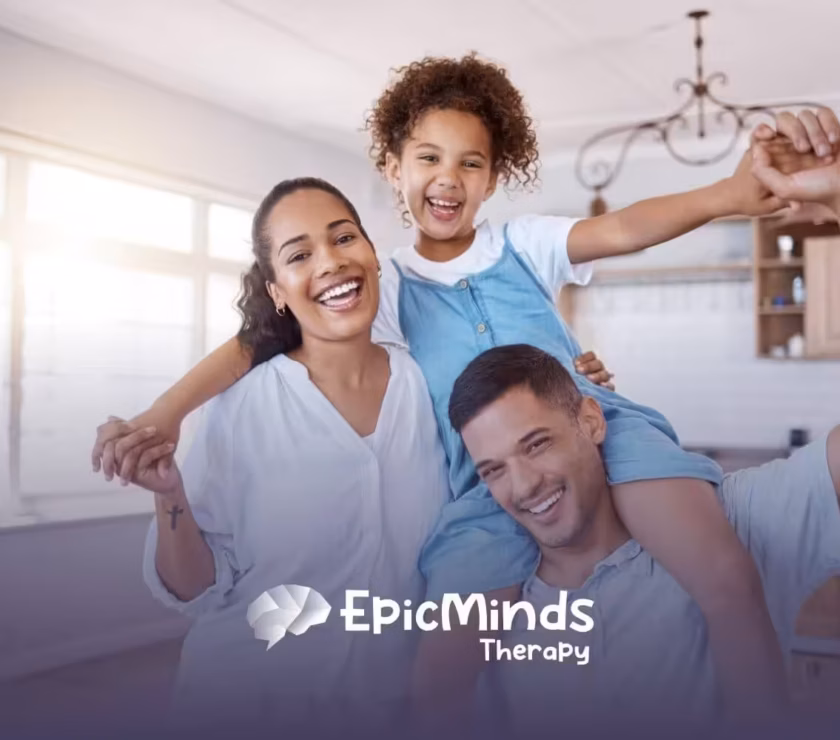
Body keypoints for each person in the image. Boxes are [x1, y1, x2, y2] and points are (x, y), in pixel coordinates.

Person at [91, 55, 838, 719]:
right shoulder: (380, 285)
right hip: (481, 485)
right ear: (393, 165)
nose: (448, 178)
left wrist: (732, 195)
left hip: (603, 425)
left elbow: (623, 229)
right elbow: (259, 340)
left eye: (472, 163)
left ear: (494, 176)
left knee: (724, 575)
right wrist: (163, 415)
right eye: (428, 157)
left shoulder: (522, 244)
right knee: (444, 671)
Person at [99, 177, 451, 736]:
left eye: (344, 238)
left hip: (389, 707)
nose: (331, 262)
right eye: (300, 255)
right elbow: (193, 587)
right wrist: (171, 497)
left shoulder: (427, 387)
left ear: (373, 256)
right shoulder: (241, 407)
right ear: (279, 291)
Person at [448, 343, 840, 736]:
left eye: (537, 444)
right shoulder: (489, 611)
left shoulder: (727, 523)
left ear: (591, 421)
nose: (524, 486)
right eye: (493, 470)